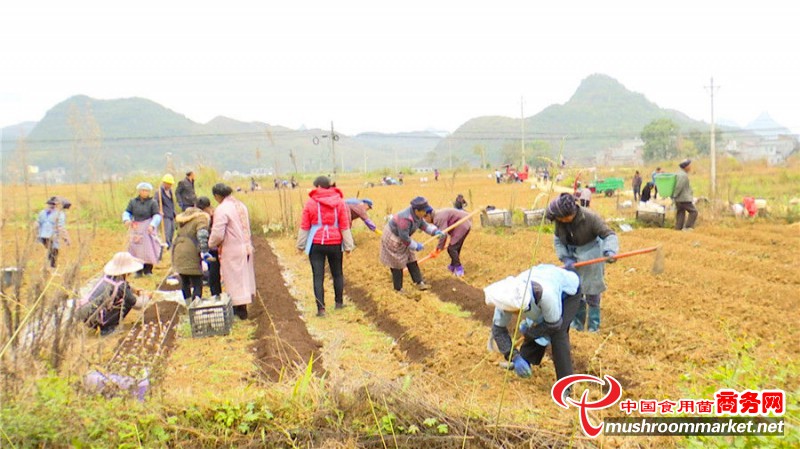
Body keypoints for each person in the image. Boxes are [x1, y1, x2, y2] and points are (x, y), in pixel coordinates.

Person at [486, 264, 581, 381]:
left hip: (568, 292)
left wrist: (532, 332)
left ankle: (565, 384)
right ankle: (525, 359)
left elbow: (553, 325)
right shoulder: (506, 298)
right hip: (543, 277)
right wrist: (514, 357)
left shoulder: (546, 295)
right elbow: (498, 330)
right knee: (534, 325)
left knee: (558, 335)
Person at [547, 193, 619, 333]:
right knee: (575, 291)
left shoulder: (590, 217)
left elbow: (609, 234)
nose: (559, 220)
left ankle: (593, 327)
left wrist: (610, 251)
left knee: (592, 292)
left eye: (561, 217)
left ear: (571, 213)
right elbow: (557, 240)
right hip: (572, 257)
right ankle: (577, 324)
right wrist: (565, 258)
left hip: (591, 254)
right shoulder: (560, 222)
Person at [297, 176, 355, 317]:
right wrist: (348, 246)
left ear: (318, 187)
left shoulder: (310, 203)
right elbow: (344, 225)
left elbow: (305, 226)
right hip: (335, 242)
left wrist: (300, 245)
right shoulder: (340, 202)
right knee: (337, 273)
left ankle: (321, 309)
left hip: (316, 243)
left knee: (318, 276)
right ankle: (339, 303)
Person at [208, 183, 256, 320]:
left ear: (217, 196)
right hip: (245, 246)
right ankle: (243, 309)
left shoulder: (222, 209)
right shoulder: (241, 205)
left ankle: (238, 311)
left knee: (233, 281)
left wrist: (210, 244)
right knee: (243, 279)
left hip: (232, 248)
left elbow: (218, 233)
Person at [380, 197, 445, 293]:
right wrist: (415, 246)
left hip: (404, 237)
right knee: (397, 262)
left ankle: (419, 282)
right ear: (417, 210)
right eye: (424, 211)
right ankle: (398, 289)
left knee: (411, 258)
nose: (426, 214)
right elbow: (405, 238)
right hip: (393, 237)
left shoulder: (418, 216)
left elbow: (424, 226)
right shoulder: (405, 219)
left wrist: (435, 232)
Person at [76, 252, 150, 336]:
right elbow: (138, 305)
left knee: (123, 298)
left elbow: (121, 287)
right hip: (96, 317)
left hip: (86, 313)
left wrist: (133, 290)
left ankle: (103, 324)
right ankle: (108, 328)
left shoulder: (107, 277)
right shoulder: (121, 286)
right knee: (126, 302)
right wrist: (147, 297)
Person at [172, 197, 211, 303]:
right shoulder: (201, 218)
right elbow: (202, 235)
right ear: (206, 208)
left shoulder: (183, 217)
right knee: (197, 281)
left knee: (184, 280)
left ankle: (188, 304)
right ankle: (195, 306)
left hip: (178, 249)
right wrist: (205, 251)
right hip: (191, 250)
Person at [123, 183, 162, 277]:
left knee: (148, 249)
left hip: (148, 227)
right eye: (143, 190)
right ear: (139, 191)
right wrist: (126, 219)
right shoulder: (133, 202)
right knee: (136, 248)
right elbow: (127, 212)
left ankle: (148, 270)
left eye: (147, 191)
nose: (145, 192)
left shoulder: (153, 202)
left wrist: (152, 225)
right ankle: (138, 270)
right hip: (136, 227)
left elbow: (156, 215)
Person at [426, 208, 471, 277]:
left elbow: (443, 234)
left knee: (452, 248)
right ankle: (453, 265)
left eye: (425, 218)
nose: (425, 221)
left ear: (428, 215)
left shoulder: (438, 218)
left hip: (461, 226)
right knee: (455, 247)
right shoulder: (437, 216)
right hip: (465, 225)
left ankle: (459, 268)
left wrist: (438, 248)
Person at [196, 197, 221, 297]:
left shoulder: (215, 215)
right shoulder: (203, 217)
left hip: (216, 248)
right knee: (213, 273)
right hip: (211, 249)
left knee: (214, 272)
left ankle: (217, 294)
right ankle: (216, 295)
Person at [36, 197, 69, 268]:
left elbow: (37, 224)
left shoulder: (43, 212)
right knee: (53, 251)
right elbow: (60, 227)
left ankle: (49, 266)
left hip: (46, 236)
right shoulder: (59, 214)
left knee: (50, 250)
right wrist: (66, 238)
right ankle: (51, 267)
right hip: (50, 236)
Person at [673, 159, 698, 231]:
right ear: (685, 167)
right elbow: (679, 186)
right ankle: (688, 227)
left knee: (681, 213)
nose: (690, 167)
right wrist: (675, 194)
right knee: (693, 212)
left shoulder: (679, 173)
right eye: (689, 165)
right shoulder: (683, 175)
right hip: (684, 198)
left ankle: (678, 229)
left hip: (679, 198)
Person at [156, 174, 176, 248]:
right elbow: (156, 203)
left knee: (172, 231)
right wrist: (159, 211)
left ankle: (170, 245)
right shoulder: (159, 192)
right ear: (164, 183)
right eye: (168, 184)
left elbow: (172, 203)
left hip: (171, 214)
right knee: (166, 232)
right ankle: (167, 247)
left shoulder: (170, 191)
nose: (170, 186)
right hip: (165, 215)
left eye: (171, 184)